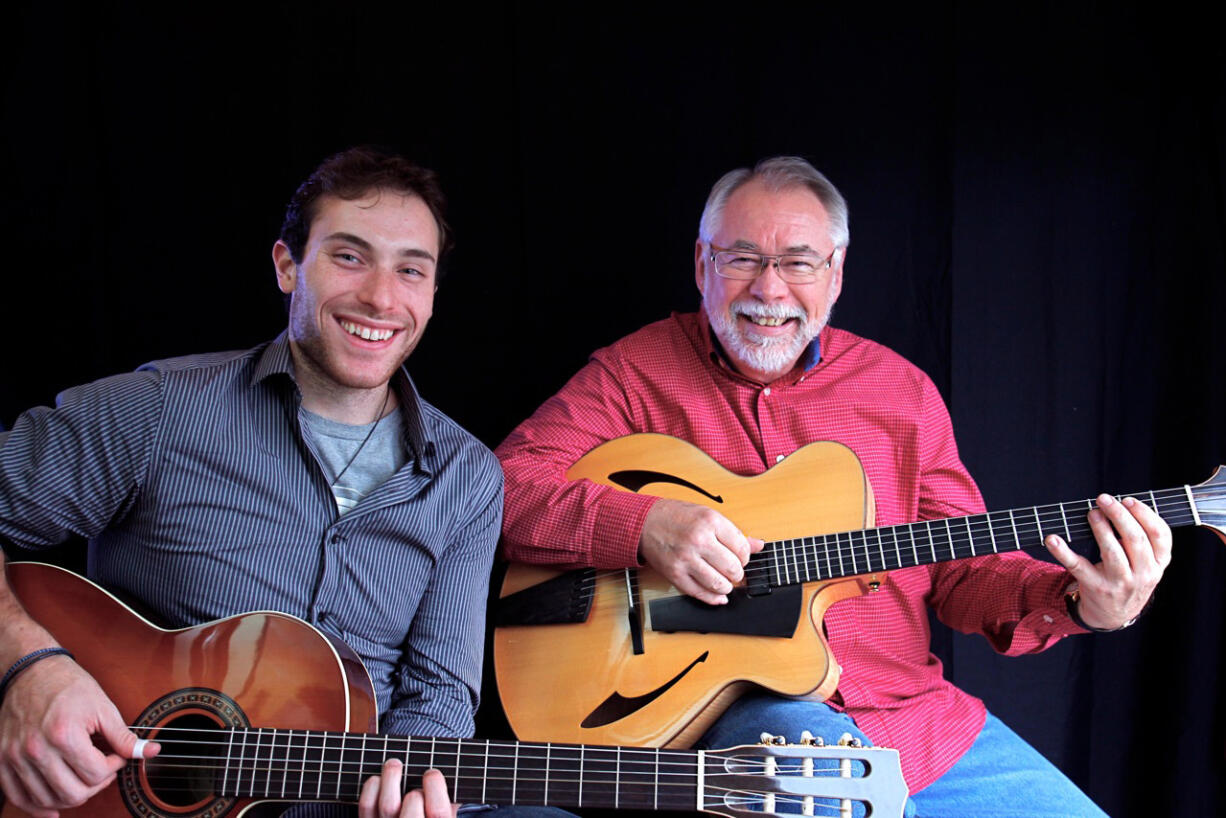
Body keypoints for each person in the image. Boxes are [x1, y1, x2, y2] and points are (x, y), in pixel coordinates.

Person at [496, 156, 1171, 816]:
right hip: (750, 716)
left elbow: (969, 577)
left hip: (918, 722)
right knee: (843, 798)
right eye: (741, 258)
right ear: (702, 263)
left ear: (836, 274)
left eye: (797, 262)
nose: (769, 289)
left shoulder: (900, 393)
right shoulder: (632, 374)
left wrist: (1083, 603)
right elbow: (501, 487)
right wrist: (644, 528)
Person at [0, 147, 535, 818]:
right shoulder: (160, 410)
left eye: (410, 270)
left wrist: (413, 799)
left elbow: (438, 695)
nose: (380, 295)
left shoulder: (467, 478)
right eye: (349, 256)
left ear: (431, 296)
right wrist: (28, 667)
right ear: (287, 265)